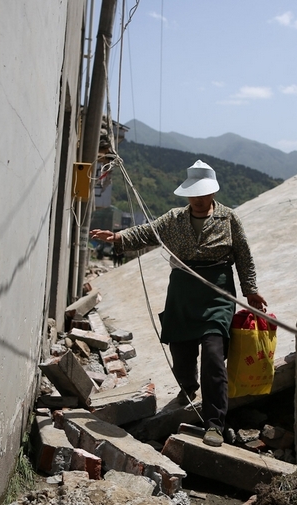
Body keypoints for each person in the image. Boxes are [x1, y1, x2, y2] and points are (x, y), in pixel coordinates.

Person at [89, 160, 267, 447]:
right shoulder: (173, 219)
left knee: (212, 355)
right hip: (183, 293)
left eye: (202, 194)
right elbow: (146, 232)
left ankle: (214, 423)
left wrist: (251, 291)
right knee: (181, 351)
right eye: (192, 194)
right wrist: (118, 237)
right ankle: (187, 386)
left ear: (212, 193)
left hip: (217, 293)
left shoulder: (229, 219)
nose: (197, 199)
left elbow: (244, 256)